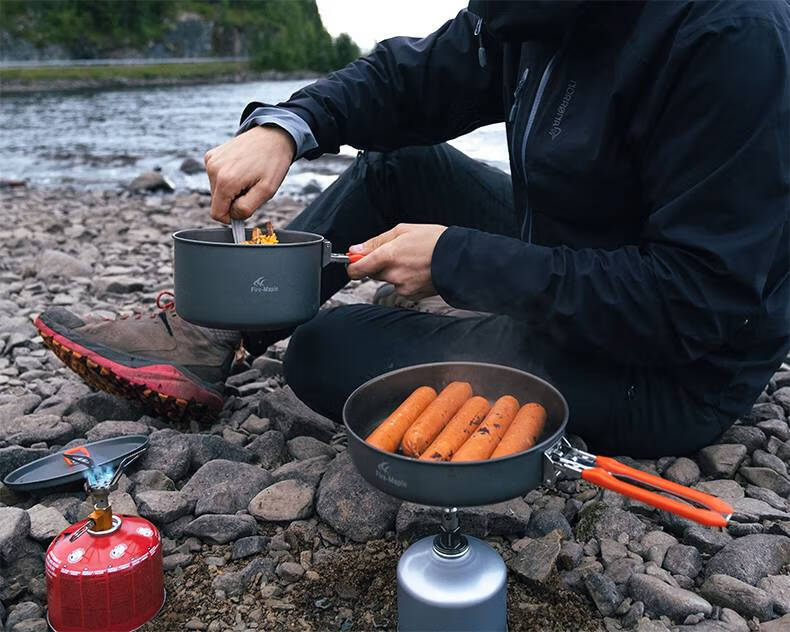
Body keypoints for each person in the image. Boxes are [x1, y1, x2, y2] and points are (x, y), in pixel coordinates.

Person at [36, 1, 789, 458]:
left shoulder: (731, 36)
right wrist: (288, 127)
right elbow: (413, 78)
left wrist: (460, 262)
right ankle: (211, 335)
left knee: (328, 351)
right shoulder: (531, 13)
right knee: (402, 166)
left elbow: (698, 302)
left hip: (673, 370)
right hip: (573, 248)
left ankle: (495, 335)